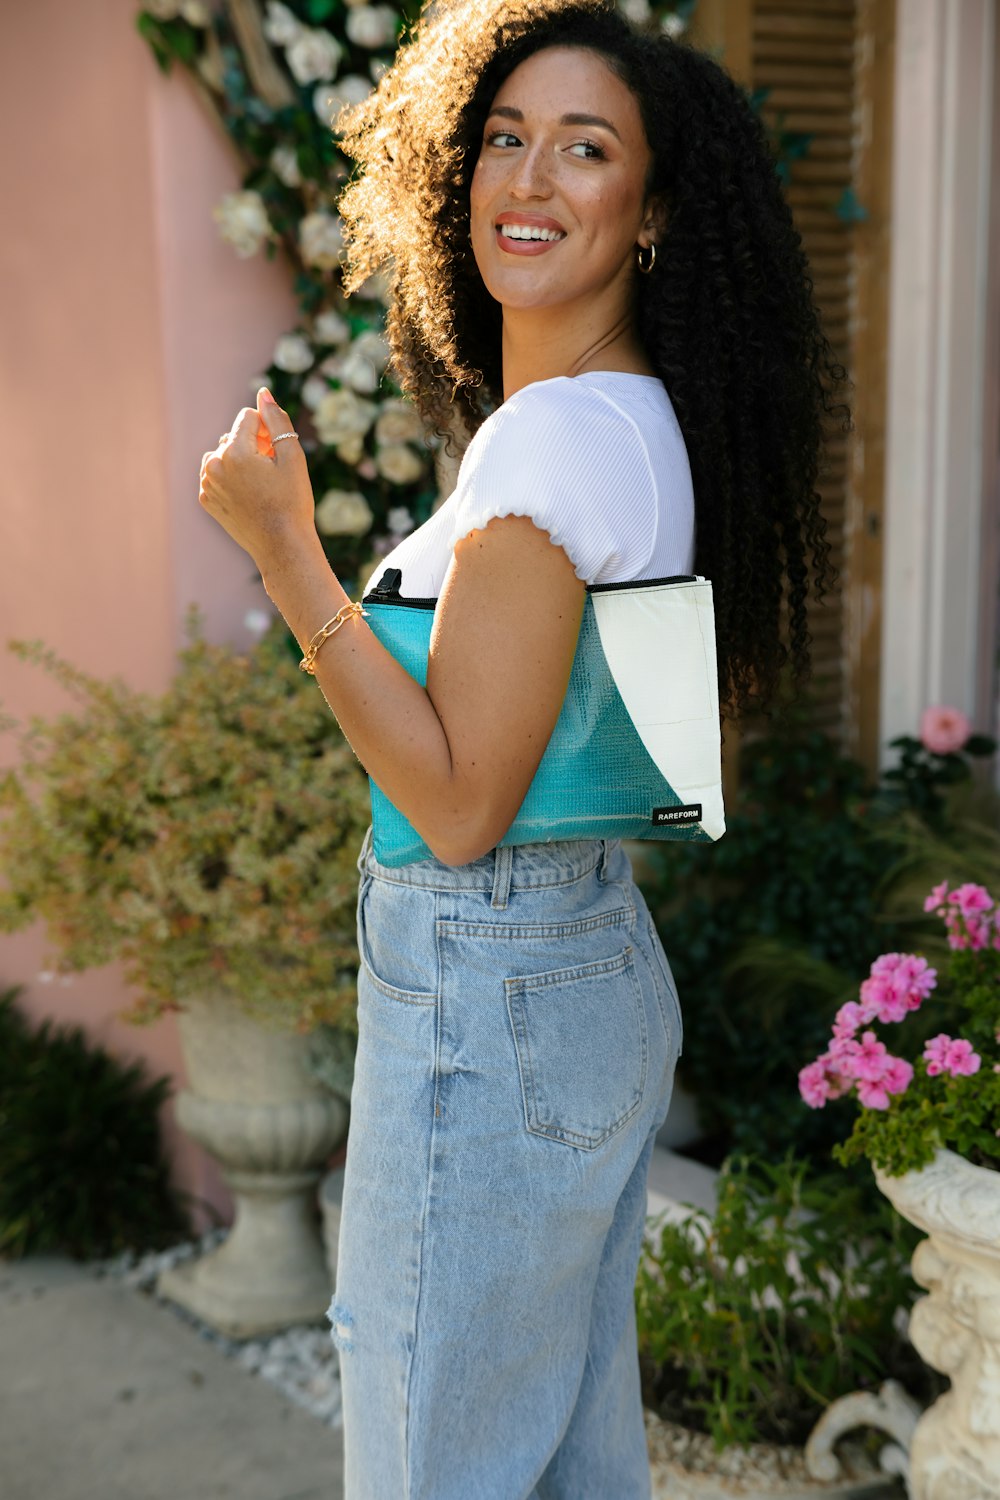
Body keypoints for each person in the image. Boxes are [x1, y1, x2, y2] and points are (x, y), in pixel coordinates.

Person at [198, 0, 845, 1494]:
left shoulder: (553, 448)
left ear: (655, 209)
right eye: (504, 138)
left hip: (490, 992)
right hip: (580, 968)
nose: (529, 179)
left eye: (587, 147)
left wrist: (288, 557)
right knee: (558, 1459)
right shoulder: (621, 420)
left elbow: (463, 800)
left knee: (436, 1451)